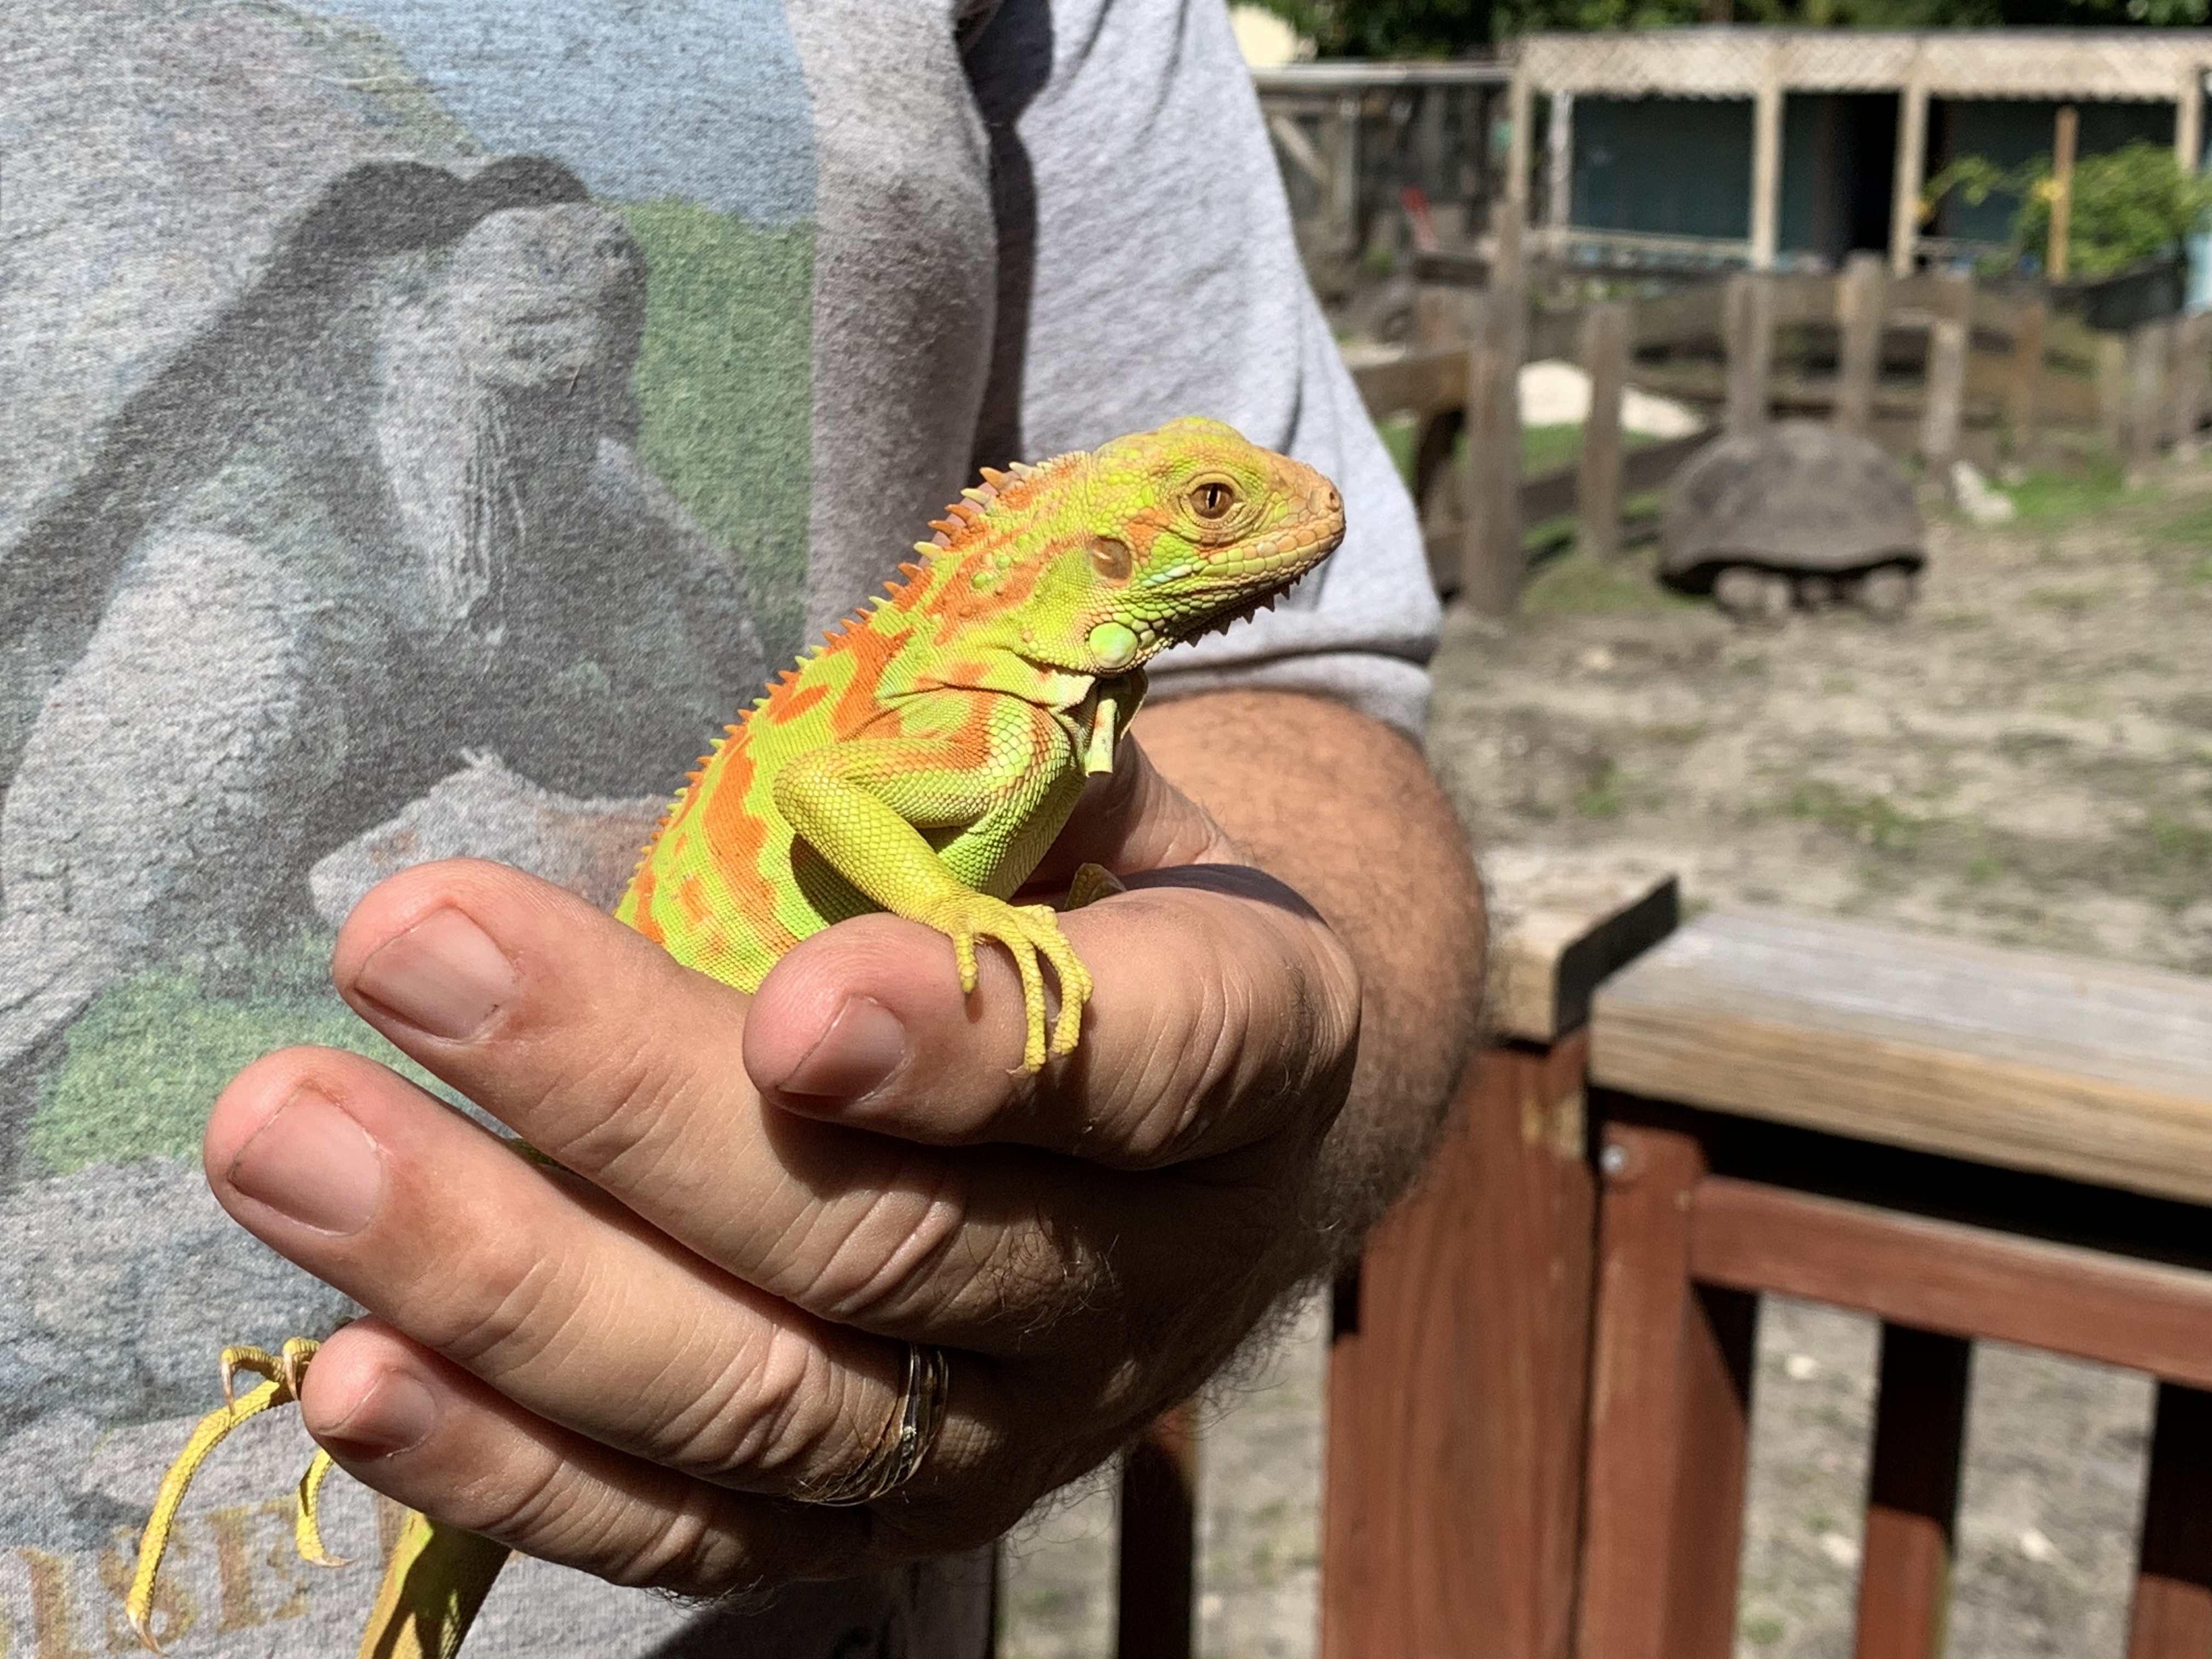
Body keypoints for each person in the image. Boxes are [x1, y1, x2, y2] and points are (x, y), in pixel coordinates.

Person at [1, 0, 1483, 1651]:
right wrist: (973, 912)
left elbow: (1312, 697)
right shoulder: (972, 728)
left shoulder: (1008, 701)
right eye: (1215, 509)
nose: (1287, 515)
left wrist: (1235, 1130)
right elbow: (824, 785)